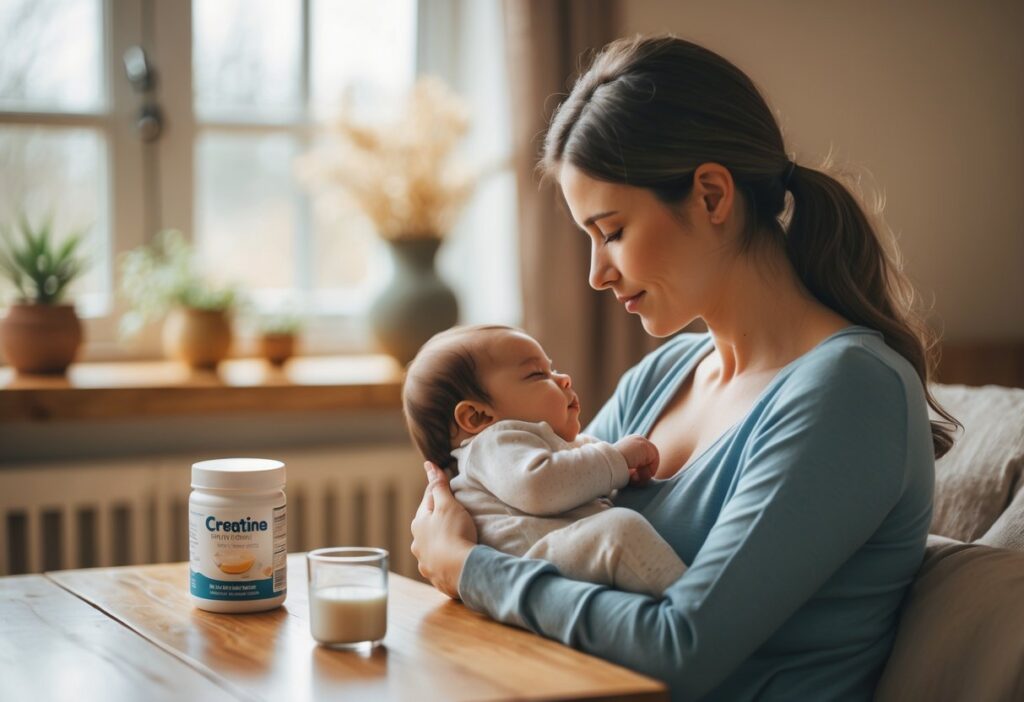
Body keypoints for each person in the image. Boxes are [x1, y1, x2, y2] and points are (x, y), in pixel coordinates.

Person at [410, 34, 957, 701]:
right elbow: (538, 532)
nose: (596, 273)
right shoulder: (661, 375)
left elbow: (680, 648)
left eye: (612, 232)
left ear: (712, 196)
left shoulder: (852, 391)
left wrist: (469, 568)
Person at [402, 324, 688, 596]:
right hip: (528, 558)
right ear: (478, 417)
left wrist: (619, 471)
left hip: (543, 559)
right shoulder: (492, 443)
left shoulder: (541, 443)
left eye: (553, 368)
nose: (564, 379)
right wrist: (618, 460)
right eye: (538, 374)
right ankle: (688, 604)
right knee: (621, 532)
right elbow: (538, 486)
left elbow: (579, 467)